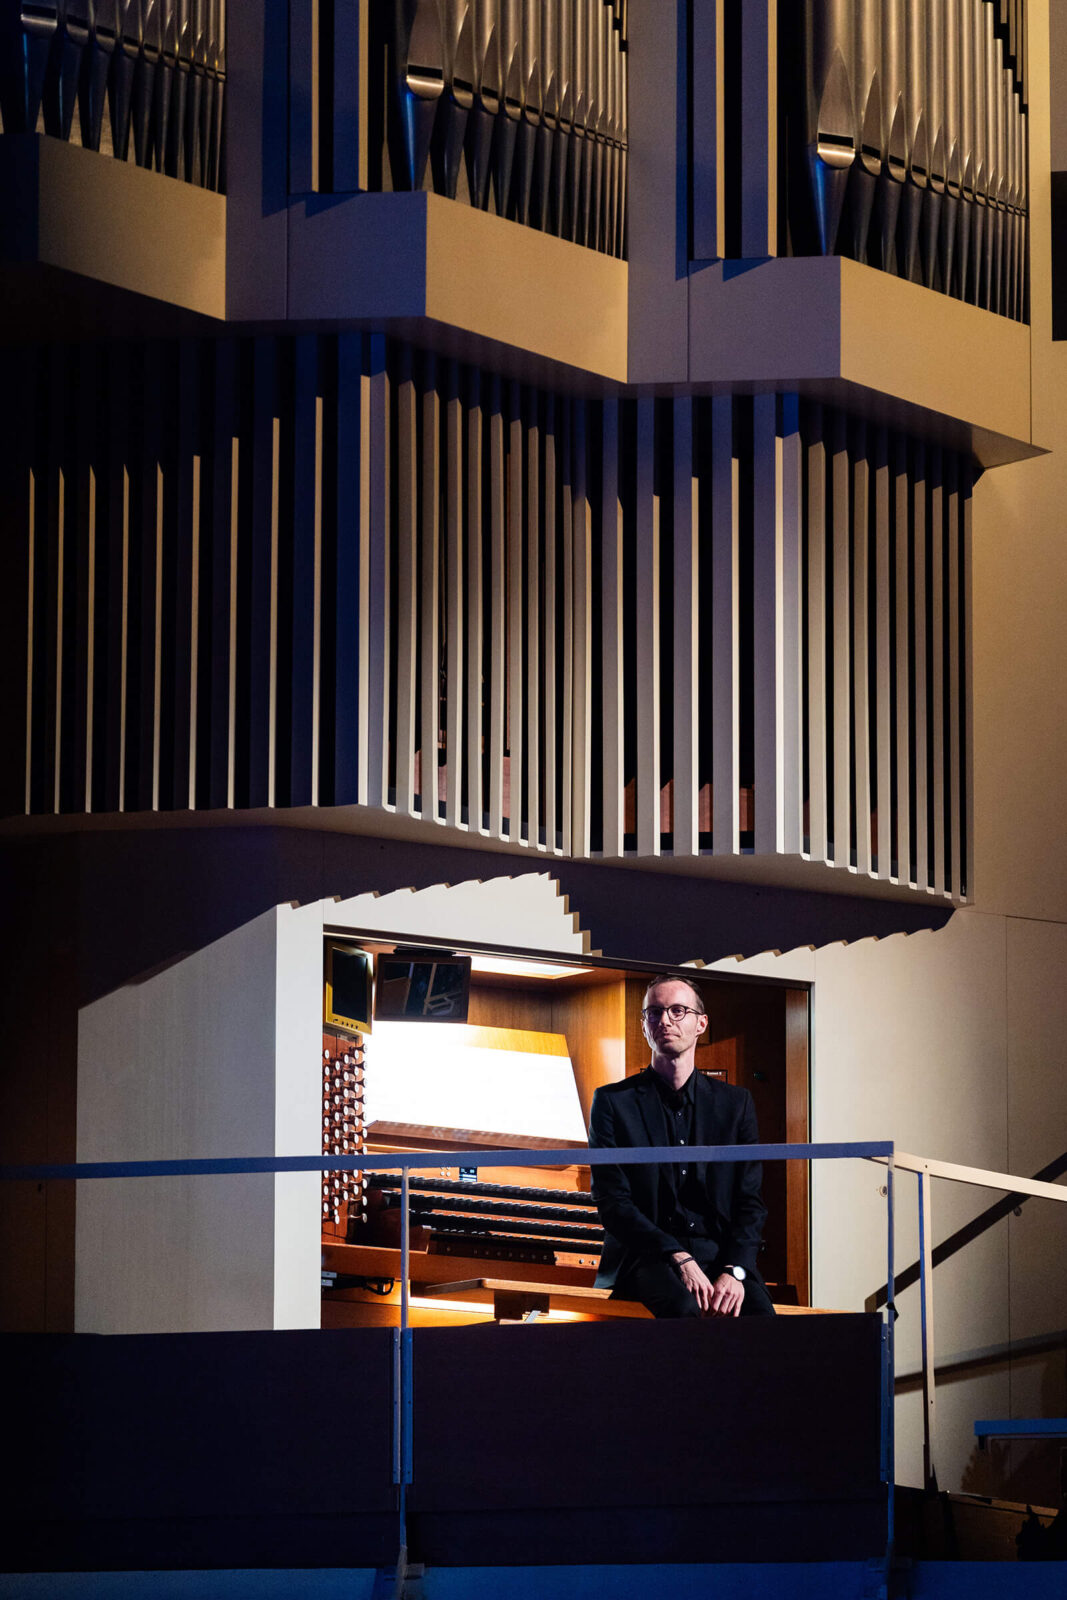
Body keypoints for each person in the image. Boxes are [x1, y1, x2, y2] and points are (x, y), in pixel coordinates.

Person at [588, 976, 775, 1318]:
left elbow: (750, 1202)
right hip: (649, 1254)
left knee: (762, 1321)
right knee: (684, 1310)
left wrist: (734, 1270)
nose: (664, 1021)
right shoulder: (613, 1102)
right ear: (644, 1025)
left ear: (701, 1023)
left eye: (677, 1011)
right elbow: (612, 1202)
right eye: (654, 1012)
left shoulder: (736, 1104)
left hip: (719, 1254)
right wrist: (677, 1256)